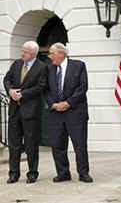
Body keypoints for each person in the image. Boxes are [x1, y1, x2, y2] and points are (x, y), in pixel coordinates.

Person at [45, 42, 93, 183]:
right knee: (58, 145)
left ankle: (83, 173)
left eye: (52, 53)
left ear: (61, 53)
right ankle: (63, 173)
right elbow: (45, 89)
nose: (49, 57)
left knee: (80, 145)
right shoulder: (49, 69)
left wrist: (68, 103)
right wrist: (53, 104)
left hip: (75, 112)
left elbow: (83, 87)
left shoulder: (78, 65)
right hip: (56, 113)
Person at [3, 41, 47, 184]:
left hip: (31, 112)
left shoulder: (42, 67)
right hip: (14, 111)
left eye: (25, 52)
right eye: (22, 51)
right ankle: (14, 173)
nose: (22, 54)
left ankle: (32, 173)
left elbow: (41, 86)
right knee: (14, 144)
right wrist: (10, 90)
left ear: (33, 53)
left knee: (31, 144)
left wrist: (23, 93)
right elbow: (7, 79)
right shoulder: (17, 64)